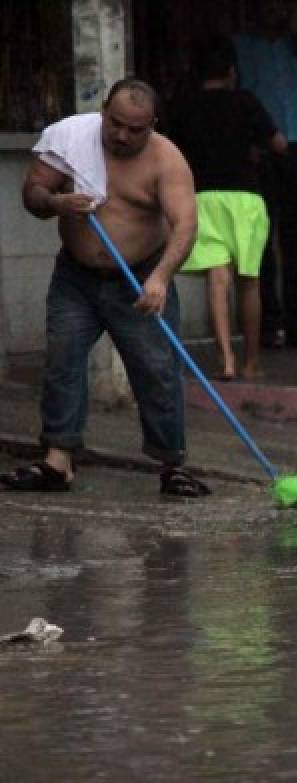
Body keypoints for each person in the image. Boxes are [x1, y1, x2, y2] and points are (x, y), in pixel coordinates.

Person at [1, 78, 210, 498]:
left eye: (135, 129)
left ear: (151, 124)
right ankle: (58, 460)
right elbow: (33, 193)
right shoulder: (72, 140)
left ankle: (172, 463)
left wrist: (161, 278)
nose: (121, 135)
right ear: (103, 114)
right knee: (63, 358)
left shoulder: (165, 160)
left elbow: (185, 225)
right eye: (115, 124)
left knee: (156, 369)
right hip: (76, 277)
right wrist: (57, 203)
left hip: (138, 276)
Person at [171, 37, 287, 381]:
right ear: (232, 71)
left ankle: (226, 361)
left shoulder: (183, 105)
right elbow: (279, 143)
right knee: (249, 281)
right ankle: (252, 362)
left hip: (204, 197)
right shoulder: (245, 101)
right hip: (245, 198)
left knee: (217, 279)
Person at [234, 0, 297, 350]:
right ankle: (267, 322)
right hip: (261, 149)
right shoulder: (242, 45)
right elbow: (237, 94)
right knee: (261, 239)